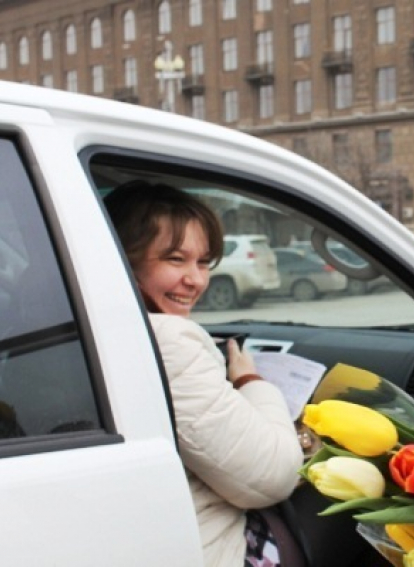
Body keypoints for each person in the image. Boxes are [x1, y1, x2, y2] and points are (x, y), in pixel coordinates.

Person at [104, 181, 304, 567]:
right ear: (123, 260)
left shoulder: (72, 327)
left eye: (203, 262)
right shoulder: (165, 342)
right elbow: (273, 477)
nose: (196, 280)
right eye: (175, 260)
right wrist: (251, 382)